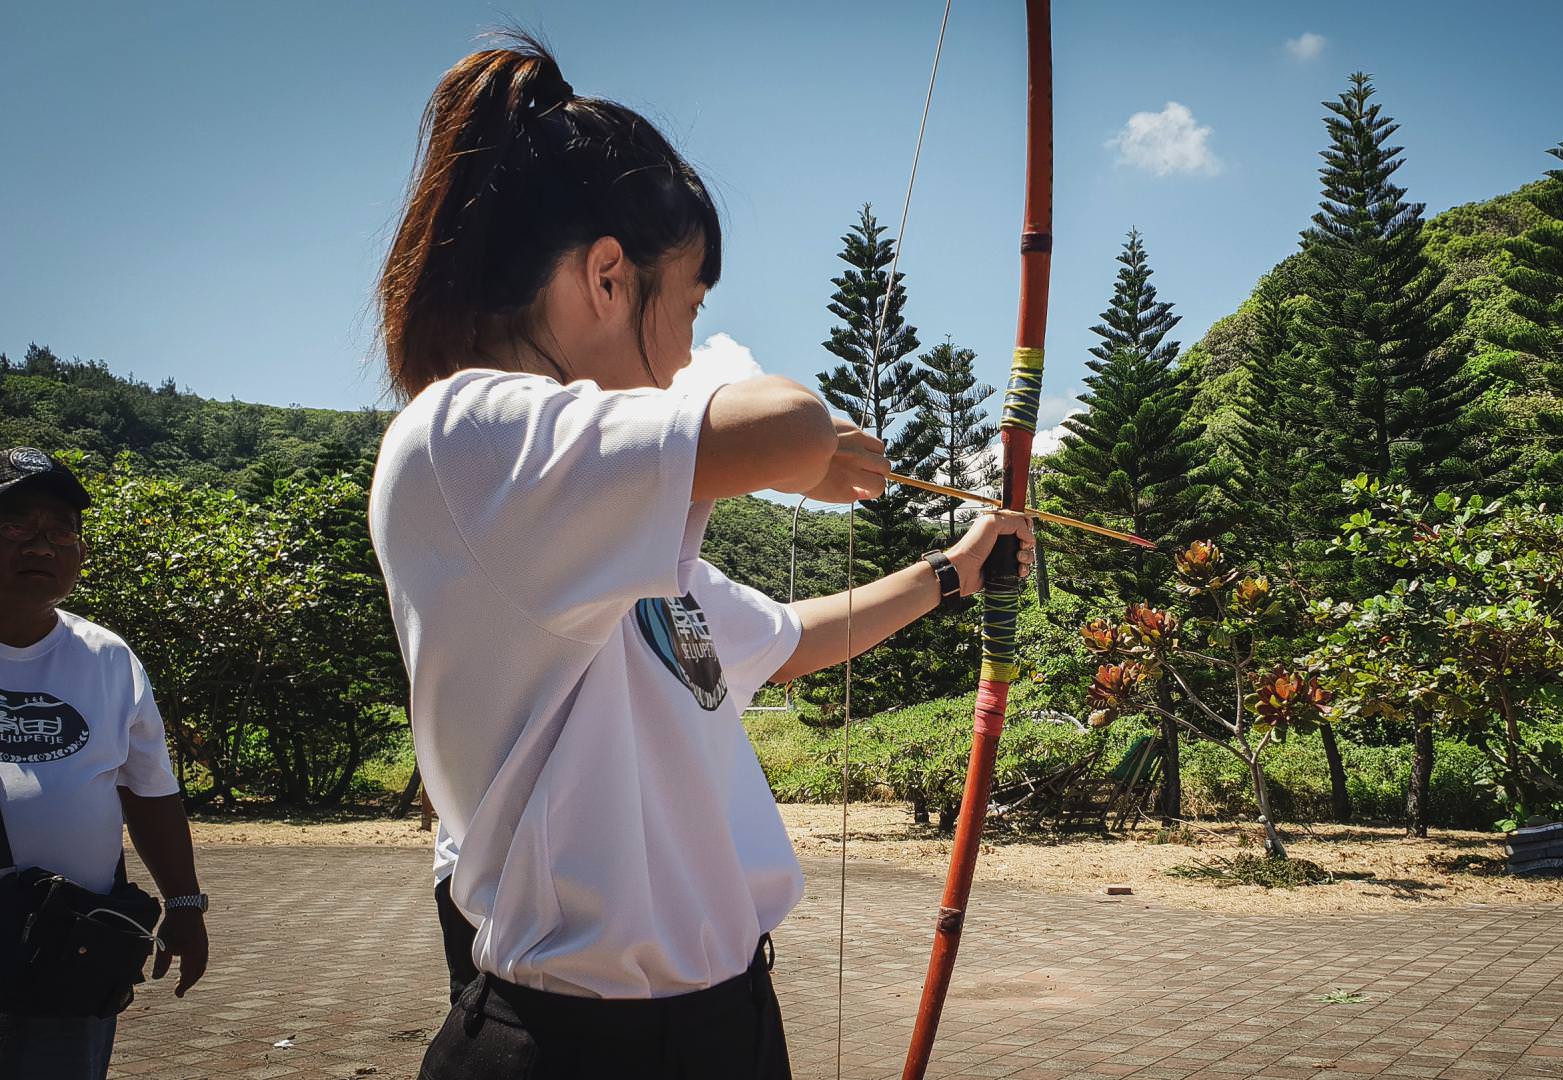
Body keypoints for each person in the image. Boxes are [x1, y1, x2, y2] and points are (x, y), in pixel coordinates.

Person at [367, 34, 1033, 1080]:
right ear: (607, 278)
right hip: (576, 1047)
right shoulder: (466, 439)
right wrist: (796, 449)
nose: (684, 350)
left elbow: (785, 640)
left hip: (722, 1023)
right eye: (689, 305)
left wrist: (953, 569)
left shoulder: (600, 537)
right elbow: (784, 425)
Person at [0, 448, 210, 1080]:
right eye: (14, 524)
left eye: (59, 529)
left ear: (81, 553)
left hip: (64, 954)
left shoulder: (107, 658)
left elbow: (149, 793)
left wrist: (185, 903)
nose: (40, 544)